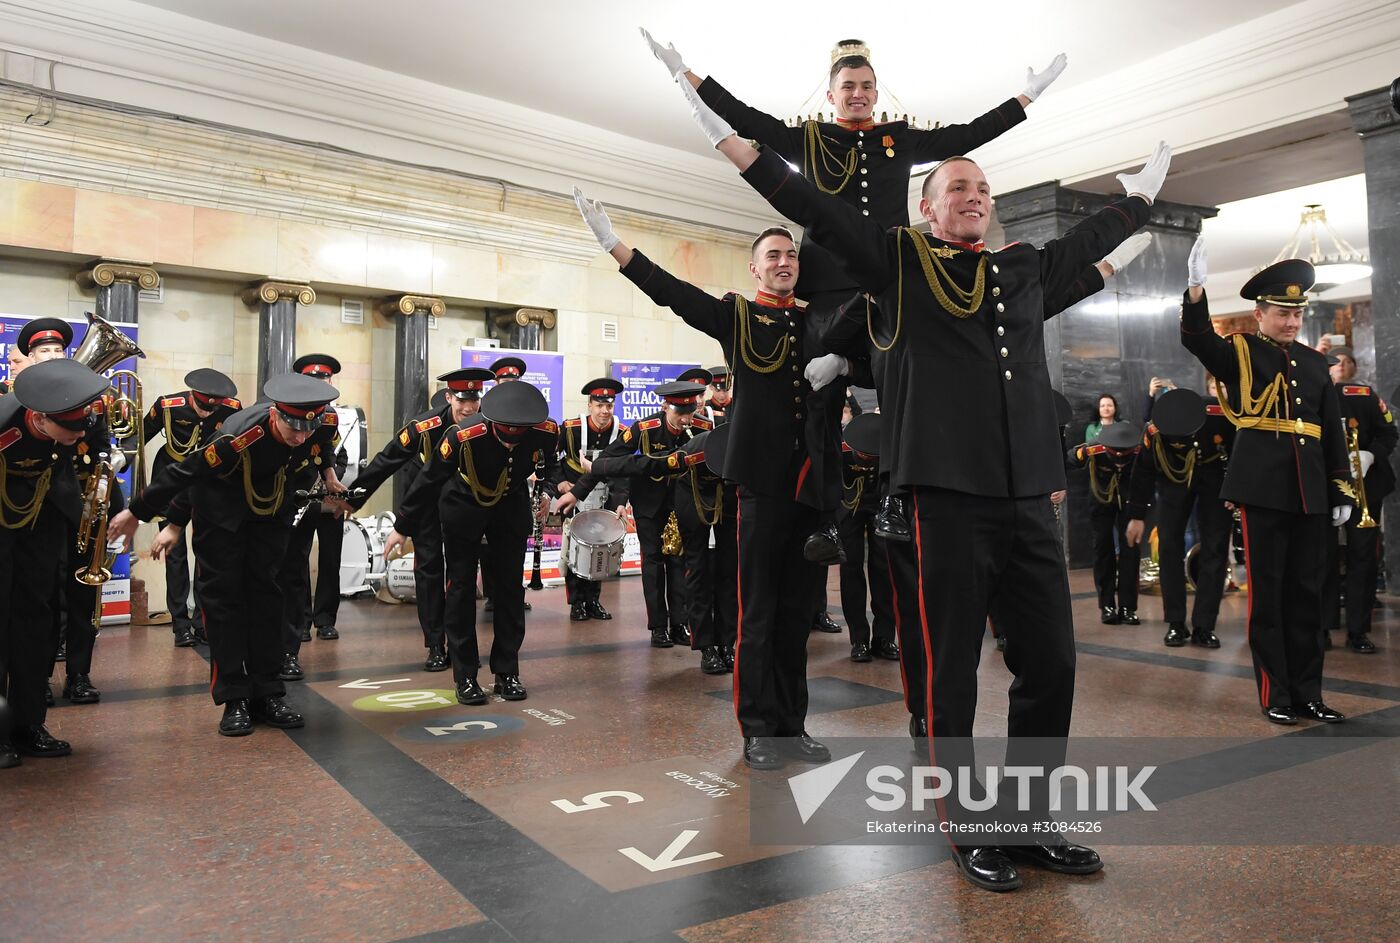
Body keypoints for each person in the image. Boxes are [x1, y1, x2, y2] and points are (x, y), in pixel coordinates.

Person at [668, 79, 1168, 888]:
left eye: (982, 188)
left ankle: (1032, 820)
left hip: (1029, 500)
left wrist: (1142, 200)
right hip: (946, 502)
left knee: (1052, 667)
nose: (972, 196)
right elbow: (817, 206)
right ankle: (968, 828)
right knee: (951, 675)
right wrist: (735, 147)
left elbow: (1084, 247)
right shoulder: (897, 262)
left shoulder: (1021, 268)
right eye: (955, 188)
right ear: (928, 210)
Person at [645, 32, 1067, 551]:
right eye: (848, 86)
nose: (859, 94)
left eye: (867, 85)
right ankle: (824, 512)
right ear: (831, 94)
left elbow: (968, 135)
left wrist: (1027, 97)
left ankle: (896, 497)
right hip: (825, 290)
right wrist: (686, 74)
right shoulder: (809, 140)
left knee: (900, 388)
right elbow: (746, 118)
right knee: (820, 403)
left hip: (891, 285)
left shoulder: (900, 139)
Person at [577, 183, 869, 773]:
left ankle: (793, 724)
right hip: (761, 487)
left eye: (791, 255)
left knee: (797, 617)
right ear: (756, 267)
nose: (785, 263)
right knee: (758, 613)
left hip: (812, 488)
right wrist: (614, 244)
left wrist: (847, 361)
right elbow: (673, 293)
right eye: (773, 256)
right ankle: (759, 728)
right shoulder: (737, 316)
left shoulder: (822, 321)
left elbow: (883, 337)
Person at [109, 374, 343, 737]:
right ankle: (233, 697)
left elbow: (321, 443)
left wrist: (329, 475)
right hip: (220, 517)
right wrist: (144, 513)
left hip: (269, 514)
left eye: (306, 427)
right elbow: (188, 472)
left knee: (268, 599)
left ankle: (268, 692)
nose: (299, 436)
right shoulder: (239, 437)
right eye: (292, 426)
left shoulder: (318, 424)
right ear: (276, 414)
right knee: (224, 604)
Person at [1179, 239, 1350, 726]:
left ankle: (1309, 693)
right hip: (1261, 489)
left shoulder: (1317, 365)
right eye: (1282, 313)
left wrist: (1341, 487)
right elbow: (1197, 340)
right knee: (1268, 597)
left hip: (1310, 490)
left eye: (1297, 314)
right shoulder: (1241, 352)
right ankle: (1277, 694)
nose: (1292, 322)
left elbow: (1330, 430)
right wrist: (1195, 291)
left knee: (1309, 595)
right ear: (1259, 313)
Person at [385, 382, 557, 705]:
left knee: (509, 589)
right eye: (505, 435)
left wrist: (546, 490)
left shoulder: (544, 432)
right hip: (464, 507)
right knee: (461, 589)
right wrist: (403, 525)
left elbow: (551, 461)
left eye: (517, 435)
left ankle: (507, 672)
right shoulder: (464, 434)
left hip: (510, 508)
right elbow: (429, 478)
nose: (510, 443)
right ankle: (465, 676)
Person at [1, 358, 112, 768]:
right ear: (41, 419)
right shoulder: (4, 425)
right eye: (70, 430)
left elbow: (71, 471)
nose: (77, 437)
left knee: (37, 622)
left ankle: (29, 725)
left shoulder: (66, 427)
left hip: (40, 523)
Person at [350, 368, 492, 670]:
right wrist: (353, 498)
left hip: (465, 506)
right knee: (428, 571)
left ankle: (459, 644)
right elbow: (386, 460)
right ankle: (435, 644)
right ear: (449, 397)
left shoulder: (486, 424)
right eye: (462, 400)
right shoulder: (424, 427)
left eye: (474, 399)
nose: (468, 408)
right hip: (426, 503)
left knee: (461, 576)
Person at [560, 378, 711, 647]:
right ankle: (658, 627)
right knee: (653, 564)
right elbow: (607, 460)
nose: (685, 420)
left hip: (686, 504)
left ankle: (679, 623)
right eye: (679, 413)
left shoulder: (702, 427)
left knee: (679, 563)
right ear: (666, 407)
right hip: (650, 508)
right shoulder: (644, 428)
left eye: (690, 413)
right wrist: (576, 492)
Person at [1125, 383, 1235, 648]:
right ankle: (1176, 623)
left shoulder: (1222, 415)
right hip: (1173, 482)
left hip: (1215, 480)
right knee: (1169, 547)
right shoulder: (1155, 428)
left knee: (1215, 549)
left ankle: (1204, 625)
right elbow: (1143, 472)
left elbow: (1239, 452)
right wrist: (1137, 516)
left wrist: (1236, 491)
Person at [143, 368, 242, 647]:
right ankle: (180, 624)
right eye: (201, 407)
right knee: (174, 554)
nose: (206, 414)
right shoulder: (167, 406)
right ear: (192, 397)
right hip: (171, 478)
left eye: (213, 410)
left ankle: (202, 621)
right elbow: (139, 437)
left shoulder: (231, 409)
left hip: (207, 484)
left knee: (206, 552)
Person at [1321, 345, 1395, 653]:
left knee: (1363, 558)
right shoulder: (1306, 397)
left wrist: (1370, 455)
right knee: (1321, 558)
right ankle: (1321, 627)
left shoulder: (1363, 396)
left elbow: (1388, 432)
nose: (1335, 369)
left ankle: (1358, 630)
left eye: (1340, 364)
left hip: (1365, 486)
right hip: (1323, 488)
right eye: (1328, 366)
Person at [553, 377, 629, 622]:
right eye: (599, 405)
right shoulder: (571, 428)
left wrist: (619, 500)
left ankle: (593, 600)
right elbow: (552, 458)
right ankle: (576, 603)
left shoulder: (622, 432)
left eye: (609, 405)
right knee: (574, 550)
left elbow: (623, 471)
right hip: (575, 495)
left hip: (604, 497)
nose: (604, 411)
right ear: (590, 405)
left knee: (600, 551)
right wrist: (560, 484)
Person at [1069, 422, 1145, 625]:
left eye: (1125, 456)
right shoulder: (1095, 448)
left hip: (1129, 502)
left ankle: (1128, 607)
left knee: (1131, 550)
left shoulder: (1138, 449)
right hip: (1101, 502)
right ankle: (1107, 605)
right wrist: (1081, 453)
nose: (1120, 461)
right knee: (1103, 550)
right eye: (1115, 456)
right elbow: (1070, 459)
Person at [837, 413, 898, 662]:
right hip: (849, 506)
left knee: (883, 568)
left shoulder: (887, 444)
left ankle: (884, 638)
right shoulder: (841, 449)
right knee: (850, 568)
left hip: (879, 502)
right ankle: (858, 639)